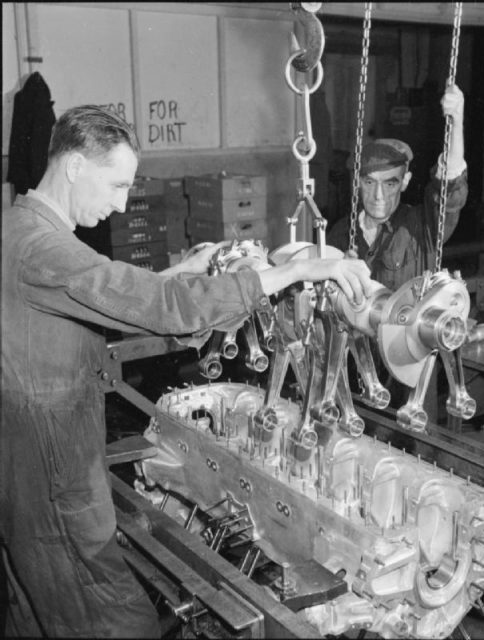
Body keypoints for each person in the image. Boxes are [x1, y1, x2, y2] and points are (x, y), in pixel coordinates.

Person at [0, 105, 372, 638]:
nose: (122, 203)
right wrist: (295, 270)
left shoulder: (18, 227)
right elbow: (145, 301)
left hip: (26, 469)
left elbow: (93, 292)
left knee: (32, 611)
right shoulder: (41, 248)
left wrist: (178, 273)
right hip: (55, 484)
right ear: (76, 165)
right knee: (118, 622)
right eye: (117, 184)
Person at [327, 83, 468, 292]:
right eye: (369, 182)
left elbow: (449, 189)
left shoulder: (422, 227)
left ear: (405, 181)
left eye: (390, 183)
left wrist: (456, 123)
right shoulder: (340, 233)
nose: (378, 195)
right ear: (357, 182)